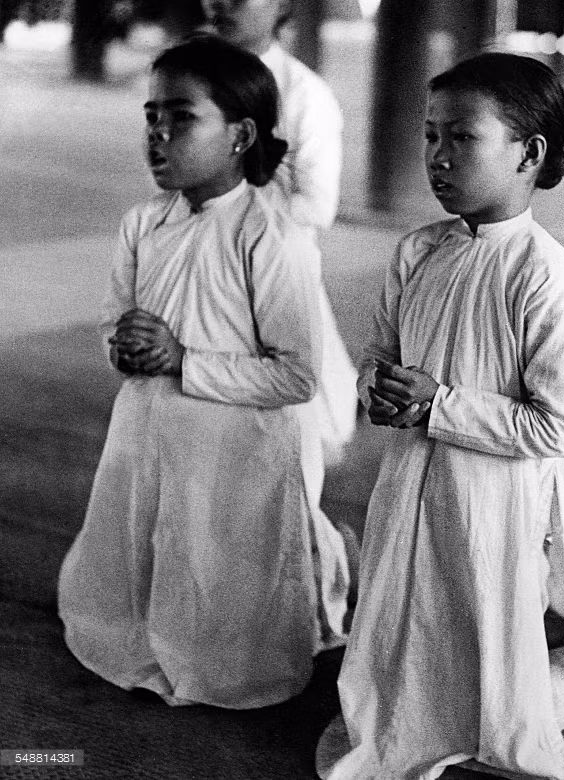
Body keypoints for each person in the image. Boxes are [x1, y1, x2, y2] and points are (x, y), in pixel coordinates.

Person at [315, 53, 564, 780]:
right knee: (405, 639)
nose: (438, 158)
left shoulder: (554, 284)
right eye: (431, 137)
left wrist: (437, 404)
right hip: (411, 482)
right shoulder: (418, 252)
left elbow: (554, 429)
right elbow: (382, 353)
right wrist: (380, 386)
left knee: (498, 695)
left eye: (462, 138)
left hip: (497, 508)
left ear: (529, 154)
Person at [57, 36, 349, 709]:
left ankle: (244, 636)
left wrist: (185, 361)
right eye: (151, 117)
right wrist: (124, 346)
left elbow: (296, 376)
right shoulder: (142, 224)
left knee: (217, 568)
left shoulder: (269, 236)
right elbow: (114, 319)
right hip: (146, 431)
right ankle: (143, 631)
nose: (158, 136)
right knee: (145, 545)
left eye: (182, 118)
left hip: (232, 453)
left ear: (242, 134)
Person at [202, 0, 358, 466]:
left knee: (279, 438)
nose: (223, 4)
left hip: (269, 273)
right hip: (201, 264)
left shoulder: (305, 93)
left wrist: (237, 203)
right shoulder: (192, 79)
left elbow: (317, 205)